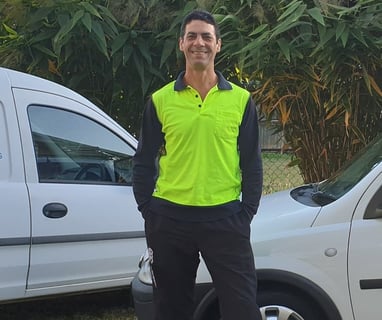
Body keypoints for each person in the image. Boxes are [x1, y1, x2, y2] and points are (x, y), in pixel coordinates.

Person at [132, 9, 263, 320]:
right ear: (181, 44)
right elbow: (143, 160)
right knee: (171, 309)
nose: (199, 42)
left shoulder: (241, 100)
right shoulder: (161, 100)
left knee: (242, 308)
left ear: (218, 45)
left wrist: (246, 212)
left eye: (206, 36)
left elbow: (252, 163)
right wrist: (148, 210)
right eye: (192, 36)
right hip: (169, 220)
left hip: (226, 220)